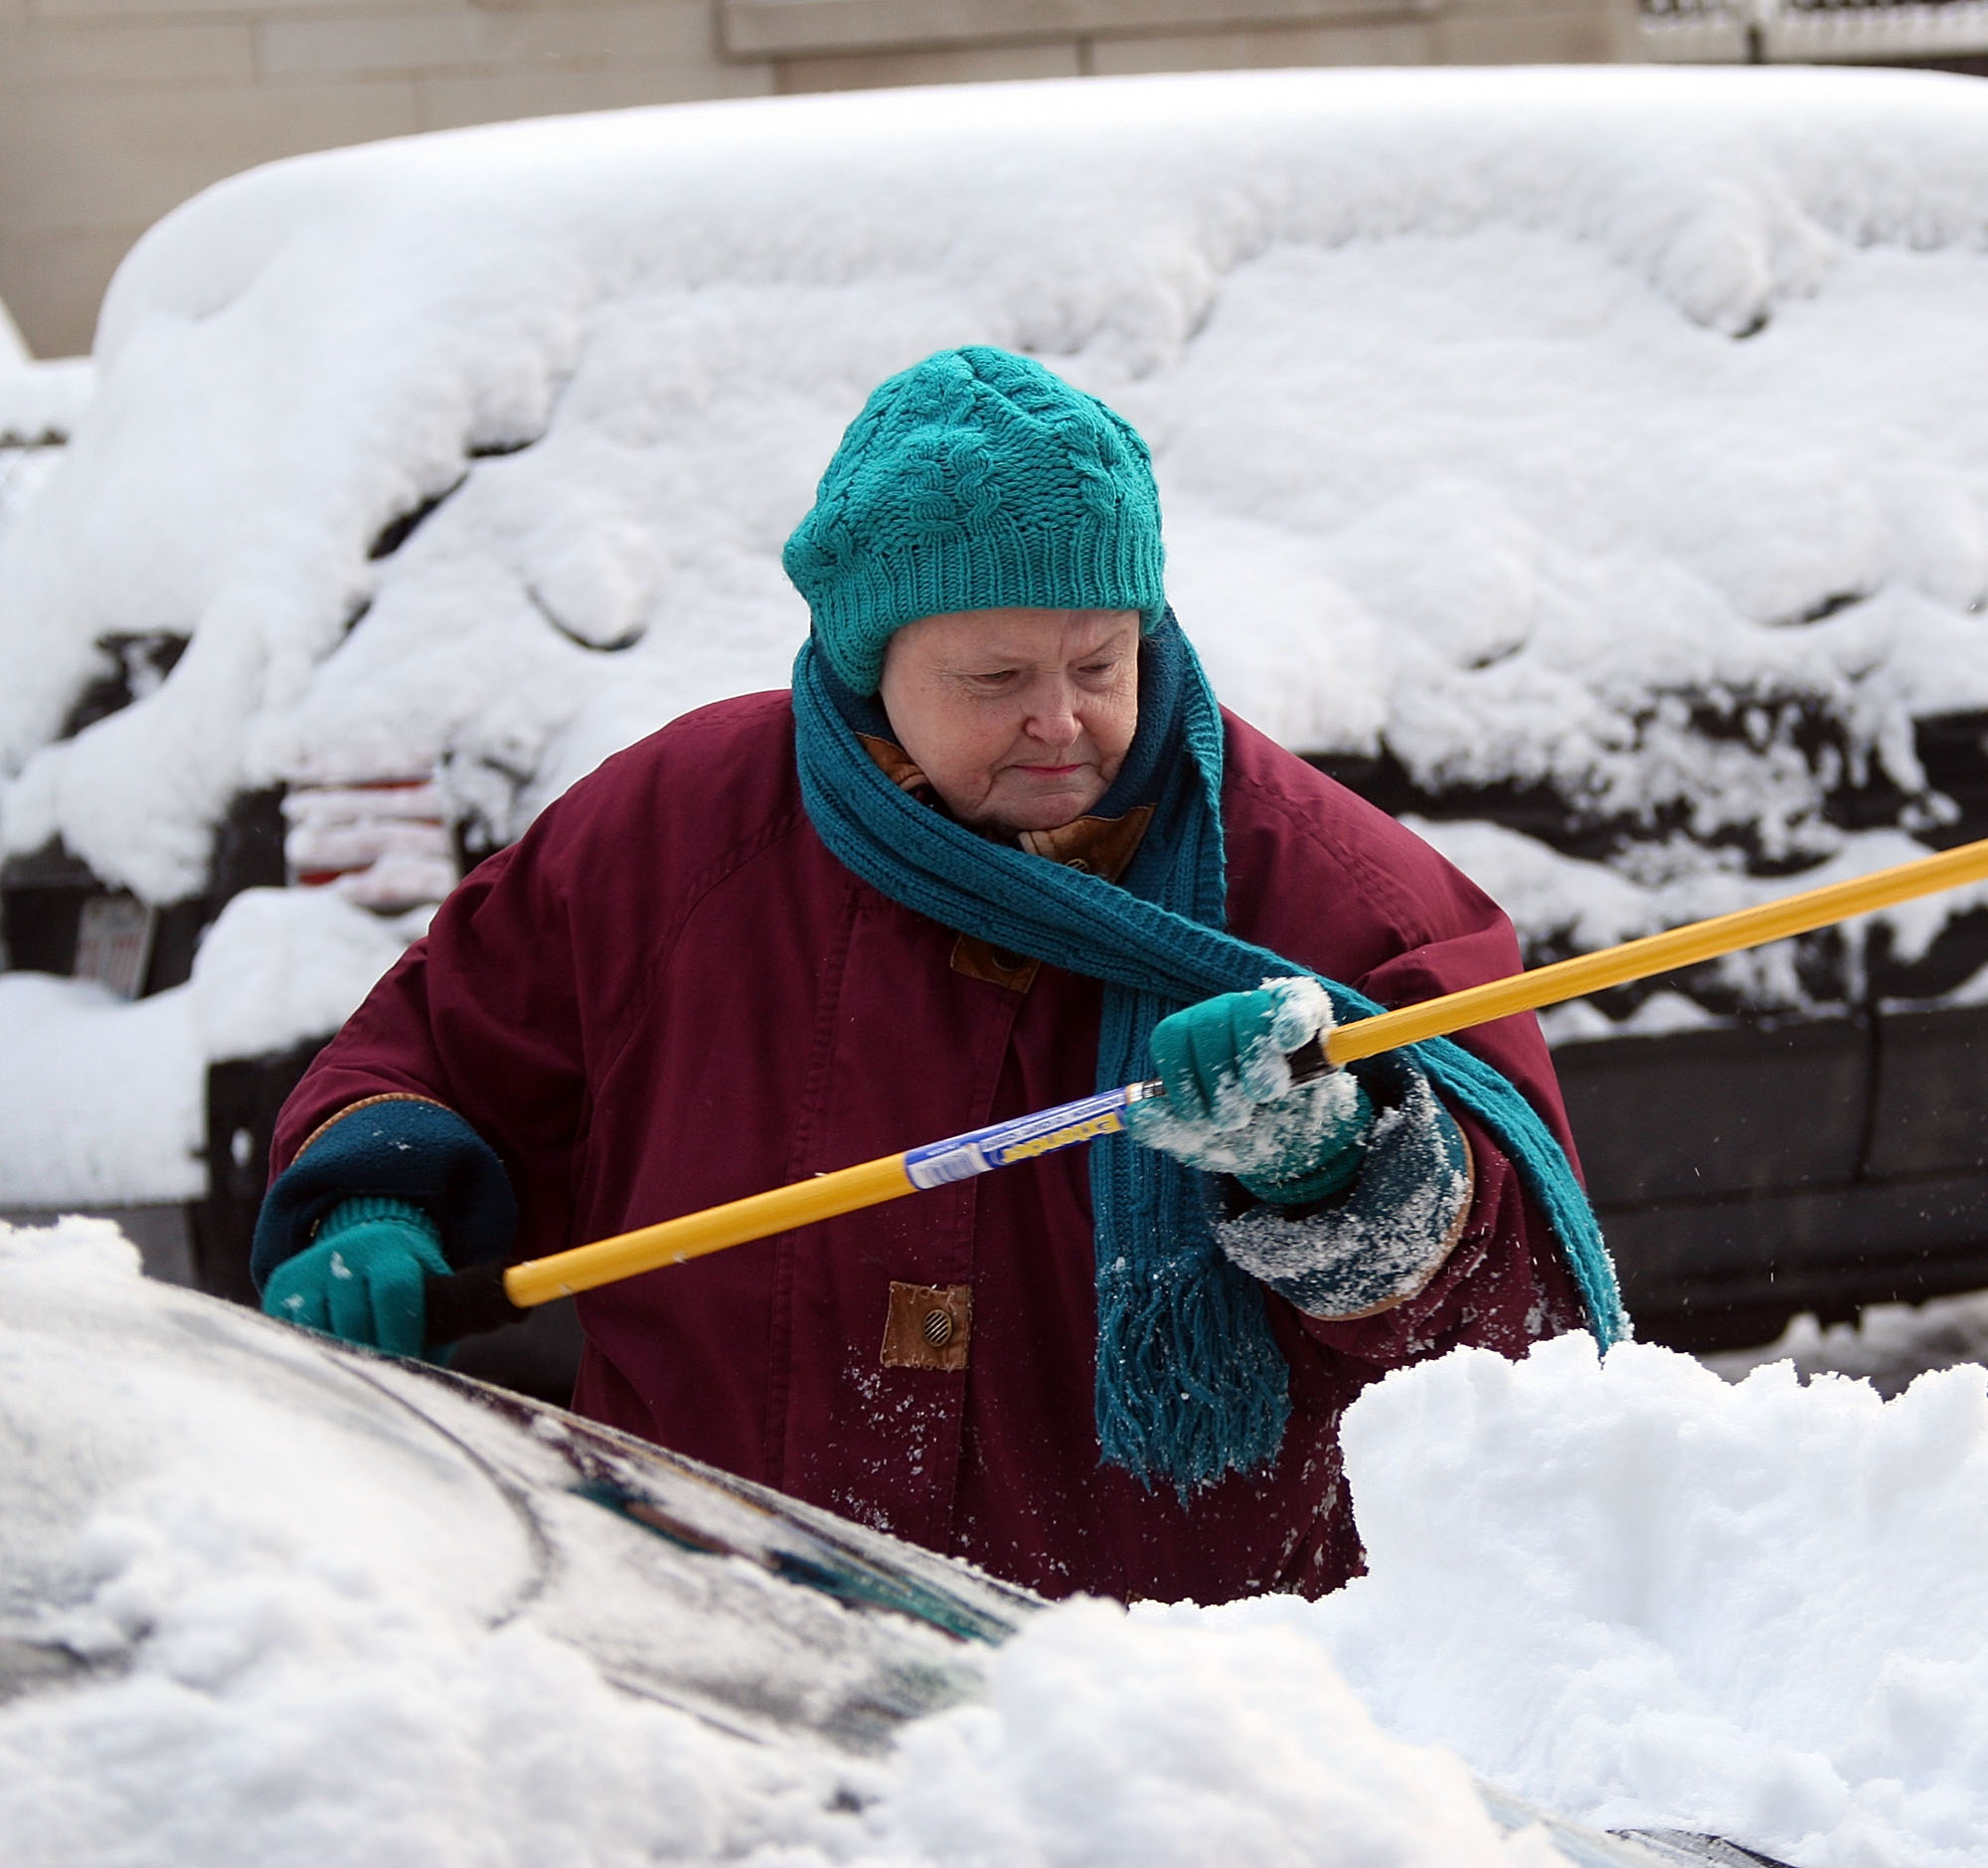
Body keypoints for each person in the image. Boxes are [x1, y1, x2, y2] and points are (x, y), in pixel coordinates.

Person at [251, 347, 1625, 1603]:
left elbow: (1532, 1344)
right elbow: (433, 1052)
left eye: (1102, 660)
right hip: (721, 1631)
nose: (1062, 719)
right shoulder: (669, 838)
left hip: (1171, 1706)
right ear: (867, 668)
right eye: (995, 675)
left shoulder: (1336, 894)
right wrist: (375, 1200)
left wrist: (1342, 1173)